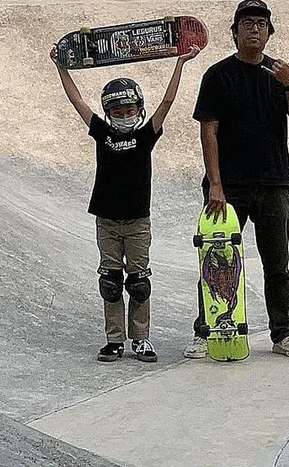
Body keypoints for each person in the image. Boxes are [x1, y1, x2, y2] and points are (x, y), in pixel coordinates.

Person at [50, 43, 200, 362]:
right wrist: (60, 67)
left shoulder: (146, 135)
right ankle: (114, 339)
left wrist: (181, 63)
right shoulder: (102, 132)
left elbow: (168, 101)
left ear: (138, 109)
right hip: (106, 220)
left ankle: (141, 339)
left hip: (137, 222)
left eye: (129, 111)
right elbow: (76, 99)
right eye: (118, 112)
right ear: (108, 113)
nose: (124, 116)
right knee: (110, 282)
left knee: (140, 283)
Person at [184, 0, 289, 359]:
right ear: (235, 32)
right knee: (216, 260)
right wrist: (216, 184)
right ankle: (207, 330)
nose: (254, 29)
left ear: (269, 33)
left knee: (278, 265)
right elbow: (208, 131)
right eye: (247, 24)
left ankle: (283, 334)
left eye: (260, 24)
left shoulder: (280, 73)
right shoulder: (218, 75)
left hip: (274, 183)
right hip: (230, 186)